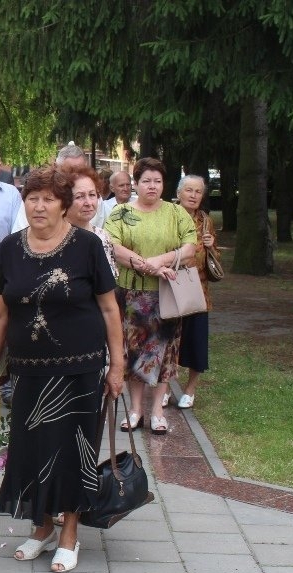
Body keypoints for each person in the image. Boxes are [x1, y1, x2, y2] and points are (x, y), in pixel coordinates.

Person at [0, 166, 124, 573]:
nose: (39, 206)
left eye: (48, 199)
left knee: (75, 450)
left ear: (64, 205)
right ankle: (41, 528)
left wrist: (117, 365)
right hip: (27, 370)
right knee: (31, 449)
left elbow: (110, 309)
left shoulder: (87, 246)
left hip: (80, 369)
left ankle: (69, 534)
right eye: (32, 198)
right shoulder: (10, 248)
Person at [105, 158, 197, 435]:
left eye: (157, 181)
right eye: (146, 181)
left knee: (166, 351)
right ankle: (136, 410)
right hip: (131, 294)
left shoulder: (176, 213)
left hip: (168, 292)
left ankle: (157, 411)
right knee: (133, 350)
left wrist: (161, 261)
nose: (152, 186)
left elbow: (190, 248)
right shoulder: (121, 213)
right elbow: (112, 246)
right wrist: (146, 265)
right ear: (136, 183)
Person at [173, 175, 217, 409]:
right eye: (189, 190)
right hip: (171, 287)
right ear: (179, 193)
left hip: (198, 290)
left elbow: (214, 260)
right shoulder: (168, 216)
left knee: (197, 341)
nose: (193, 195)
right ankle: (165, 386)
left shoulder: (206, 221)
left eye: (198, 191)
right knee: (169, 339)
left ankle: (190, 390)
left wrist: (211, 247)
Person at [66, 167, 118, 277]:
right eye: (79, 196)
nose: (88, 203)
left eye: (92, 195)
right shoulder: (54, 238)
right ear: (64, 200)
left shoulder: (102, 236)